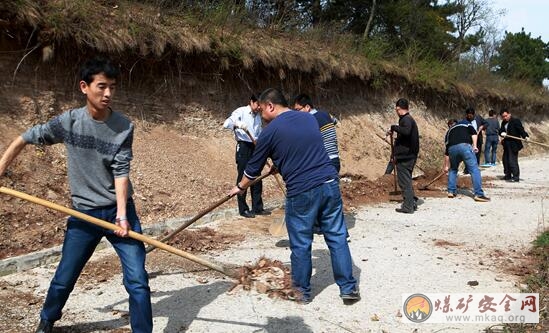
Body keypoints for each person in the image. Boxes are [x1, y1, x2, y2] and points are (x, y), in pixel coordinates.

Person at [0, 58, 152, 333]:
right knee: (65, 276)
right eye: (101, 86)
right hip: (83, 214)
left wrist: (121, 215)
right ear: (85, 87)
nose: (108, 94)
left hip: (120, 212)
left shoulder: (123, 127)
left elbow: (121, 171)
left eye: (112, 88)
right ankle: (47, 320)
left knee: (138, 279)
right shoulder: (68, 123)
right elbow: (24, 137)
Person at [228, 88, 359, 304]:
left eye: (261, 111)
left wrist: (240, 187)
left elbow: (252, 168)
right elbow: (302, 146)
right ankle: (348, 289)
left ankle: (302, 293)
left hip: (302, 191)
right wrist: (279, 165)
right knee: (337, 237)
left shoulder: (269, 132)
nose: (261, 116)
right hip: (329, 183)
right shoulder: (308, 119)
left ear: (270, 106)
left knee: (301, 244)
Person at [223, 94, 269, 218]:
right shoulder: (241, 111)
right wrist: (237, 124)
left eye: (261, 105)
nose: (259, 107)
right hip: (243, 147)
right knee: (243, 177)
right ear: (252, 102)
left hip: (255, 147)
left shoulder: (258, 117)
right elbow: (226, 123)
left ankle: (258, 207)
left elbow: (258, 134)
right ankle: (243, 209)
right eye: (258, 104)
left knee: (257, 176)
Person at [292, 93, 341, 173]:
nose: (297, 113)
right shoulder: (325, 114)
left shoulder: (309, 120)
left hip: (325, 162)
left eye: (298, 110)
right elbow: (335, 121)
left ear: (307, 107)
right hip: (335, 160)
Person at [444, 119, 490, 202]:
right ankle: (479, 194)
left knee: (453, 169)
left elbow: (447, 151)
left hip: (452, 149)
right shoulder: (465, 123)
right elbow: (474, 133)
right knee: (474, 169)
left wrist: (446, 166)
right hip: (464, 146)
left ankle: (451, 191)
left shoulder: (448, 132)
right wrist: (475, 146)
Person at [388, 98, 420, 214]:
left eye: (397, 110)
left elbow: (406, 131)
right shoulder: (408, 119)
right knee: (407, 180)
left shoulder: (406, 119)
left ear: (399, 109)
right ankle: (412, 202)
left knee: (404, 181)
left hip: (406, 157)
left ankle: (408, 206)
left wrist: (394, 127)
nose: (396, 112)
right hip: (409, 155)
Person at [499, 108, 529, 182]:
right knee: (505, 160)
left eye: (506, 116)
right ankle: (508, 175)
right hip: (506, 144)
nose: (504, 118)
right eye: (503, 116)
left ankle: (516, 177)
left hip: (514, 144)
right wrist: (502, 133)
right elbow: (501, 130)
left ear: (509, 114)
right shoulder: (503, 122)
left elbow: (521, 130)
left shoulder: (515, 121)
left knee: (512, 160)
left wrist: (525, 136)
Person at [462, 107, 487, 172]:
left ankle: (475, 168)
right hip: (469, 139)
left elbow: (486, 123)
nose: (470, 117)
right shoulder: (465, 120)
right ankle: (467, 169)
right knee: (468, 154)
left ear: (474, 114)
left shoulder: (478, 118)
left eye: (471, 116)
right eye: (468, 115)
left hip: (478, 138)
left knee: (477, 154)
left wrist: (482, 127)